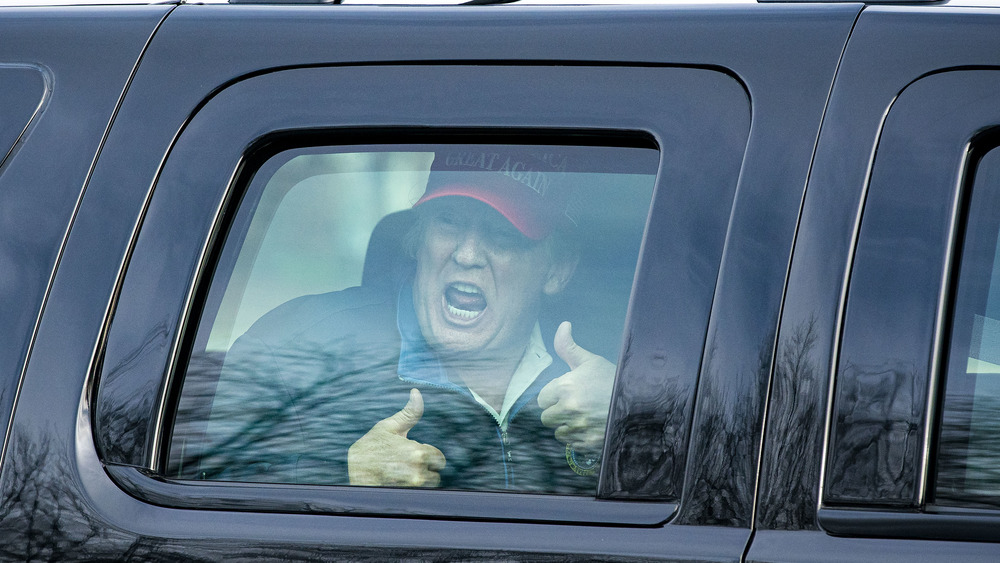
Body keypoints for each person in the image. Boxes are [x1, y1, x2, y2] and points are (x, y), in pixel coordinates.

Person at [199, 149, 616, 493]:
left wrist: (628, 429)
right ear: (418, 239)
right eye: (448, 221)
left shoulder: (622, 372)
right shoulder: (292, 349)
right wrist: (341, 486)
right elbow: (203, 511)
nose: (467, 254)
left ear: (557, 269)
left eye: (502, 233)